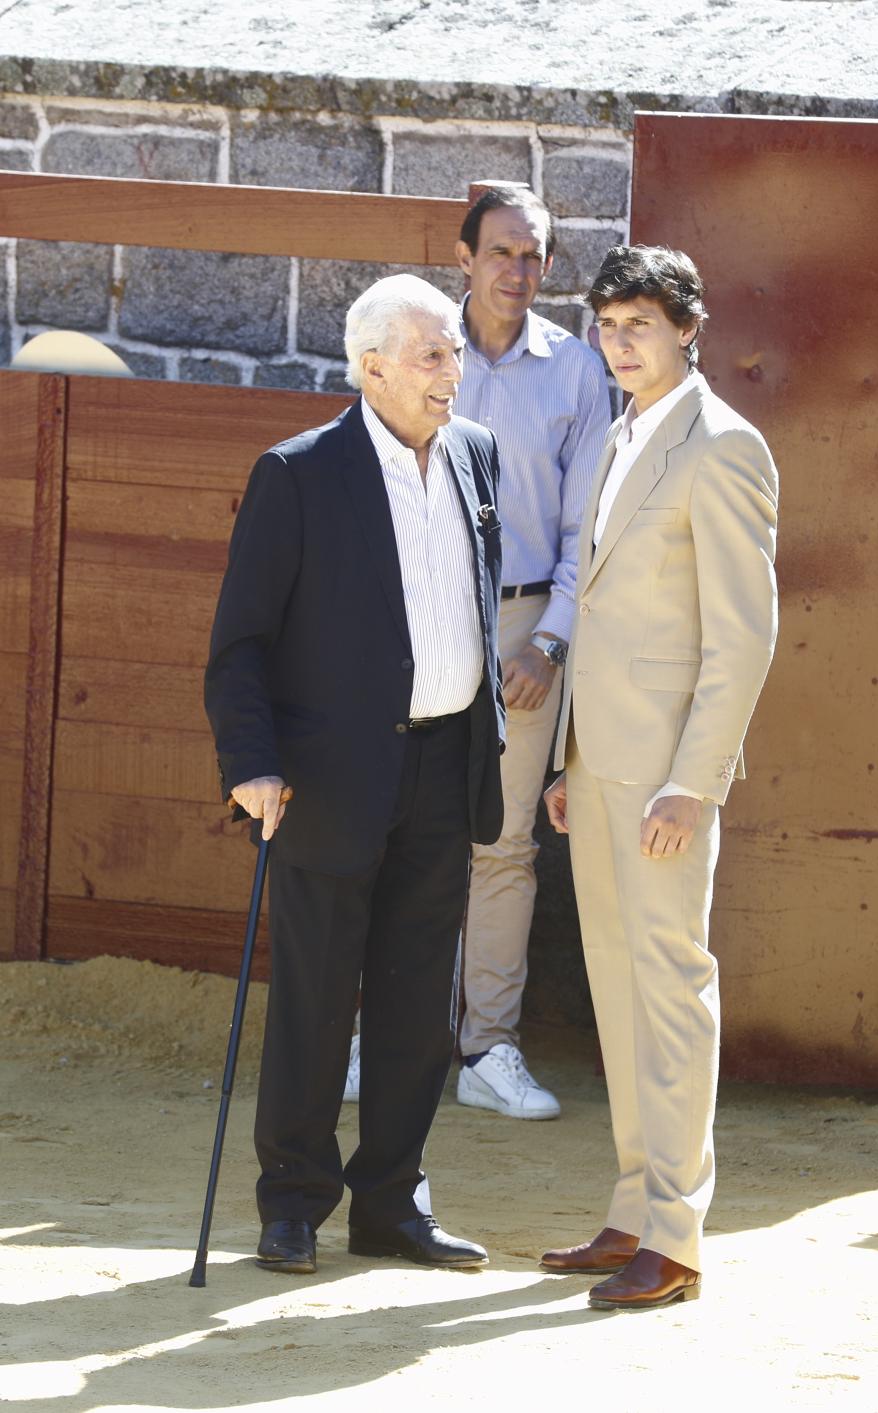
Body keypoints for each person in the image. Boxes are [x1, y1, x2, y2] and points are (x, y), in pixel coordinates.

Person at [204, 273, 505, 1276]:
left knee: (419, 1006)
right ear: (370, 364)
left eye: (455, 352)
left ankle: (392, 1203)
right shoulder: (298, 473)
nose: (450, 372)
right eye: (431, 354)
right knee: (317, 999)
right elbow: (240, 643)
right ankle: (292, 1202)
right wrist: (251, 764)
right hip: (329, 780)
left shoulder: (474, 454)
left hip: (445, 763)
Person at [540, 245, 779, 1308]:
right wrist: (566, 759)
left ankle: (675, 1238)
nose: (620, 341)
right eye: (606, 323)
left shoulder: (723, 446)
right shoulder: (614, 435)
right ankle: (634, 1206)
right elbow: (593, 607)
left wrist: (696, 781)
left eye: (640, 322)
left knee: (670, 988)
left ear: (689, 327)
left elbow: (744, 637)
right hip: (597, 764)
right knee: (616, 985)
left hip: (666, 779)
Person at [446, 186, 611, 1120]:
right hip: (425, 620)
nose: (518, 270)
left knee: (504, 844)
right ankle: (383, 1034)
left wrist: (551, 640)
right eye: (502, 251)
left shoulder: (579, 373)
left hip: (524, 626)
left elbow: (587, 526)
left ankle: (487, 1048)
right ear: (464, 257)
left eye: (535, 255)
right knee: (401, 832)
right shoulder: (422, 347)